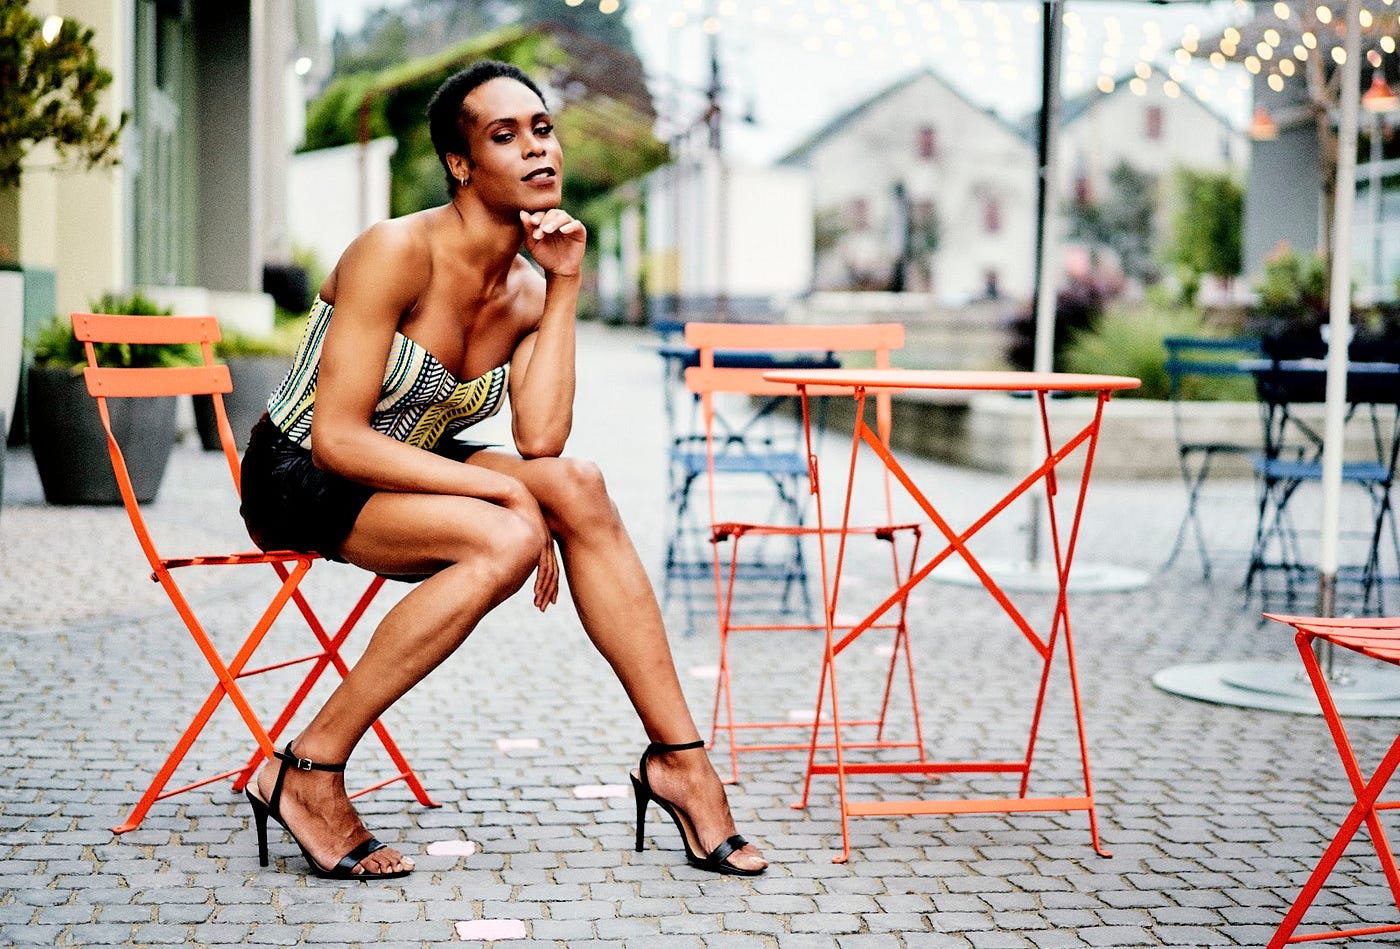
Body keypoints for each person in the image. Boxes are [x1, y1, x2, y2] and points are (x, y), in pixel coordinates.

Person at [237, 60, 767, 880]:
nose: (535, 149)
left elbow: (544, 438)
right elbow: (339, 439)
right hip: (302, 467)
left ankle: (681, 760)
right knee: (507, 540)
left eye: (543, 128)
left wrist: (564, 286)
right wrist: (504, 487)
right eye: (504, 135)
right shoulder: (395, 251)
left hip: (408, 462)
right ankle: (307, 769)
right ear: (461, 163)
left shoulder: (524, 288)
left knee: (578, 485)